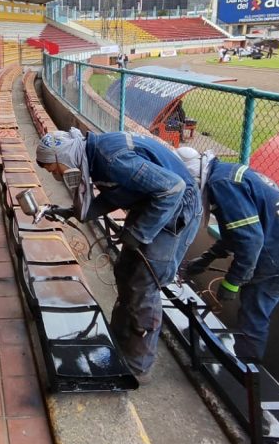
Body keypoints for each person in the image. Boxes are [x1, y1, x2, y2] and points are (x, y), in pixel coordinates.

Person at [35, 129, 202, 379]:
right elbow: (119, 194)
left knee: (143, 283)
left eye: (53, 168)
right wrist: (72, 212)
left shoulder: (112, 160)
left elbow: (172, 189)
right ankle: (119, 339)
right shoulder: (95, 156)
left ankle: (138, 365)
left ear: (65, 156)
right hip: (151, 204)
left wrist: (140, 232)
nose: (56, 175)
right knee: (124, 271)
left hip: (176, 210)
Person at [177, 148, 279, 364]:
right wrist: (207, 258)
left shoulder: (222, 185)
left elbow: (250, 240)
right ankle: (247, 369)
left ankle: (247, 374)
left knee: (253, 313)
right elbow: (235, 232)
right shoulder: (226, 174)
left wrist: (232, 281)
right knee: (253, 309)